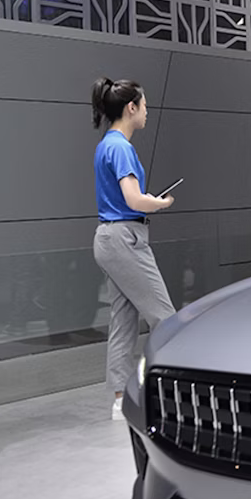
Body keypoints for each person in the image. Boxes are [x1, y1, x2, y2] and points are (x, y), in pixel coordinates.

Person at [90, 77, 177, 421]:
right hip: (125, 239)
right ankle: (170, 393)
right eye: (144, 105)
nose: (147, 112)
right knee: (166, 319)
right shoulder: (122, 147)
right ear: (131, 108)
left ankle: (120, 398)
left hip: (109, 239)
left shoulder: (106, 145)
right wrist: (160, 203)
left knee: (123, 321)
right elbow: (133, 199)